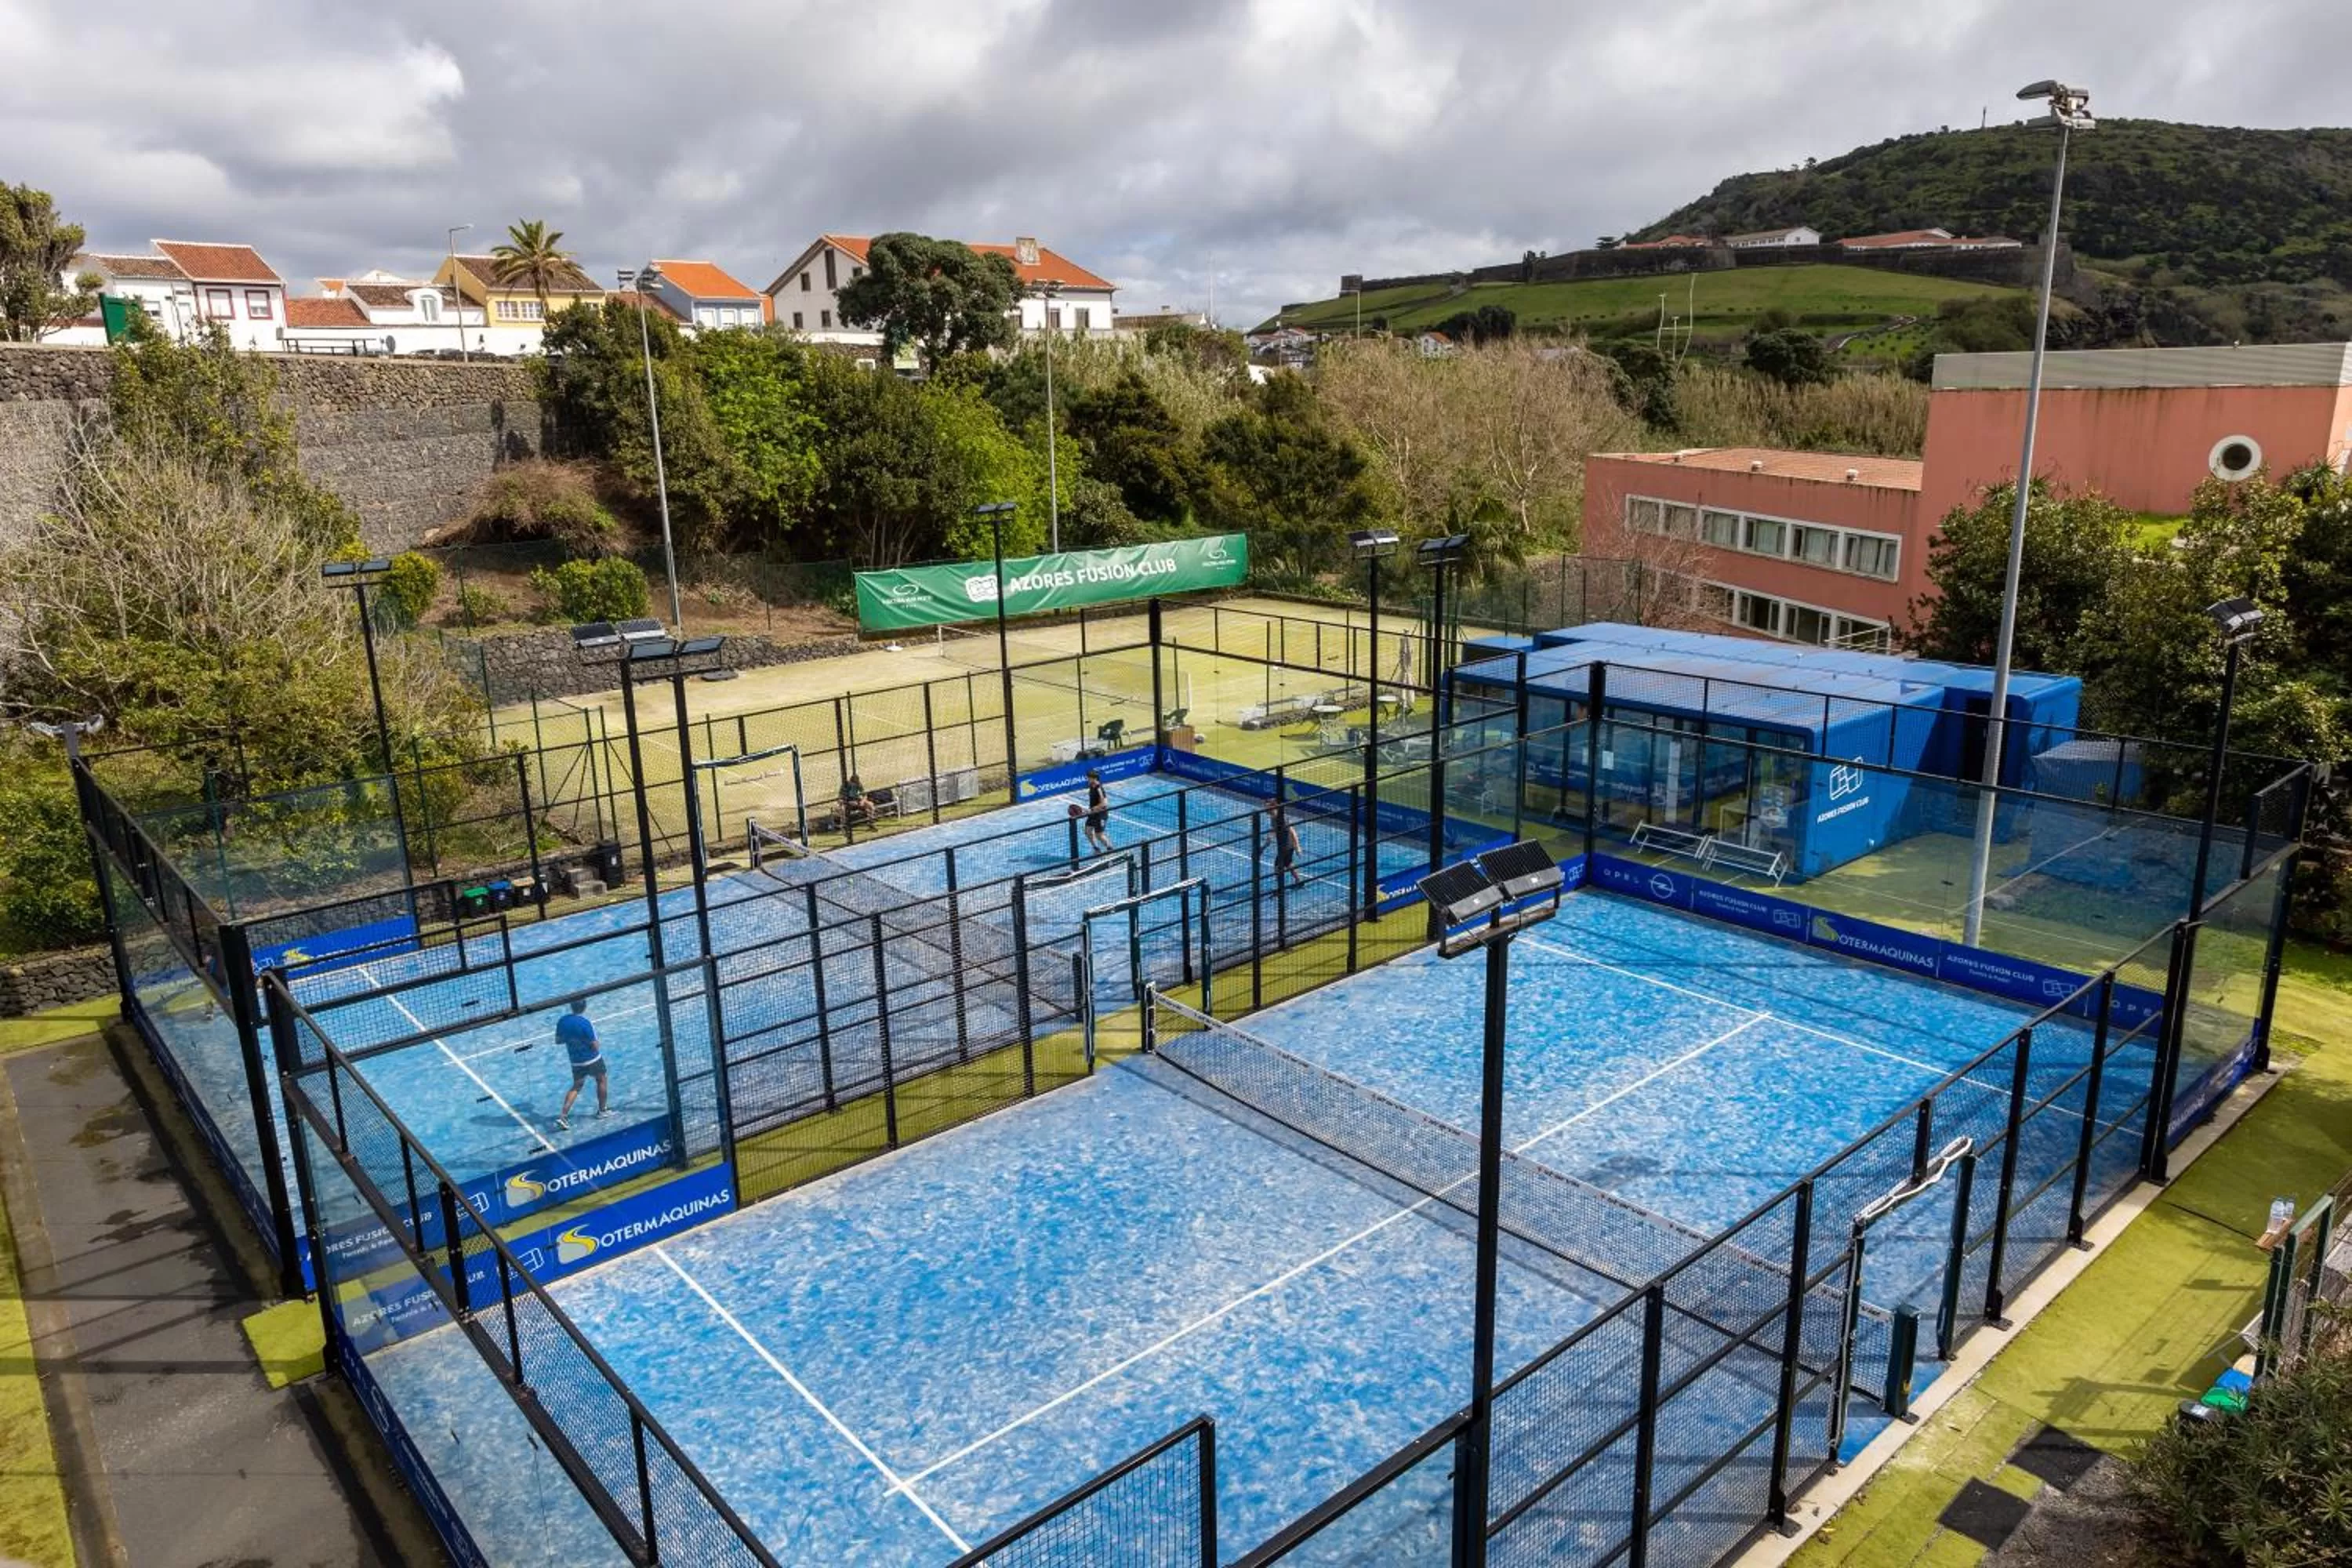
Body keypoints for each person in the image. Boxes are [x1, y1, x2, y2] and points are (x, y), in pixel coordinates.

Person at [554, 999, 608, 1131]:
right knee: (602, 1080)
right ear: (584, 1007)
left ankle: (563, 1116)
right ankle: (602, 1111)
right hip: (592, 1059)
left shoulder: (562, 1021)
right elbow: (595, 1046)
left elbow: (558, 1041)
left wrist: (573, 1040)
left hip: (576, 1061)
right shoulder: (585, 1023)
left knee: (577, 1086)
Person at [1267, 799, 1306, 887]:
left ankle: (1280, 888)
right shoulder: (1273, 817)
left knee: (1277, 866)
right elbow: (1274, 830)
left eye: (1267, 807)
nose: (1265, 809)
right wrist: (1266, 843)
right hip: (1284, 845)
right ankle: (1299, 881)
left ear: (1273, 807)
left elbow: (1292, 832)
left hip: (1286, 845)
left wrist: (1297, 847)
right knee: (1288, 863)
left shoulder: (1281, 818)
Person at [1083, 769, 1114, 855]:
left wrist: (1092, 809)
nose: (1087, 779)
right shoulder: (1091, 786)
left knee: (1099, 835)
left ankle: (1110, 849)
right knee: (1088, 831)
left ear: (1094, 778)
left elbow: (1104, 803)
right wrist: (1090, 810)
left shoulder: (1099, 788)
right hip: (1093, 814)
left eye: (1089, 778)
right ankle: (1097, 849)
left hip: (1101, 815)